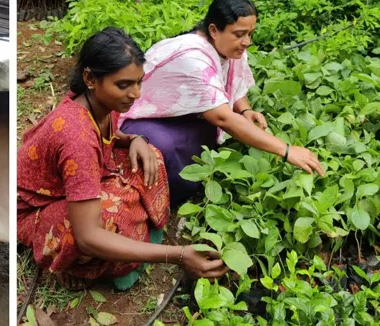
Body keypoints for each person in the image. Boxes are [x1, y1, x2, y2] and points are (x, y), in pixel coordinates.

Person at [17, 27, 227, 291]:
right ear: (90, 78)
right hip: (34, 210)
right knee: (106, 219)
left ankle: (132, 237)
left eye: (138, 82)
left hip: (77, 179)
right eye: (124, 85)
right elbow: (88, 237)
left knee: (152, 158)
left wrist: (134, 140)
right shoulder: (76, 136)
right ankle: (75, 266)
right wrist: (178, 255)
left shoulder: (102, 103)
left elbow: (109, 134)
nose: (136, 94)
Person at [120, 0, 325, 207]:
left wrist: (245, 110)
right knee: (163, 147)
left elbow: (233, 84)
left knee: (206, 137)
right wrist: (286, 150)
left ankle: (187, 181)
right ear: (213, 30)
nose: (247, 42)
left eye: (250, 33)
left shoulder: (230, 48)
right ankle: (159, 200)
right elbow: (224, 118)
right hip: (141, 119)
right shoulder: (193, 59)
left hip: (179, 115)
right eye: (239, 34)